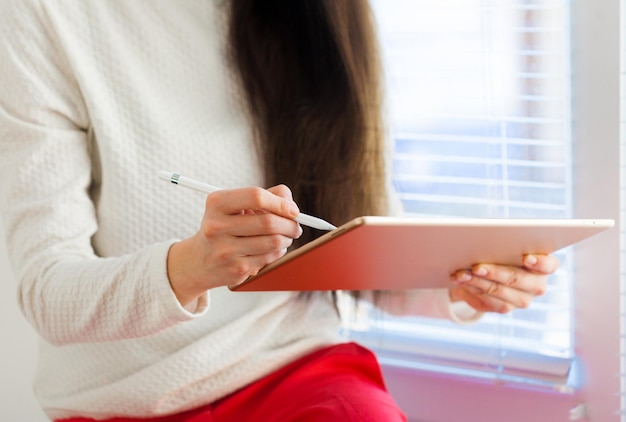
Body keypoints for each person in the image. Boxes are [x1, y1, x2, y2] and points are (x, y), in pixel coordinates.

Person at [0, 1, 559, 421]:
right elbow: (47, 291)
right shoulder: (44, 16)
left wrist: (460, 282)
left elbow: (351, 242)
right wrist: (191, 267)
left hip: (293, 373)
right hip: (116, 400)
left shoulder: (325, 16)